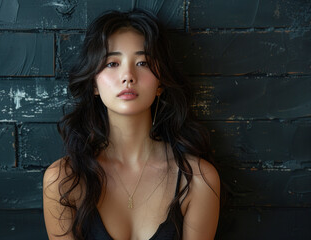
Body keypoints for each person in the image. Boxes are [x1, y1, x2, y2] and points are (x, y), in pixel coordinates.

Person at [43, 8, 220, 240]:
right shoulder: (64, 180)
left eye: (143, 62)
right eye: (112, 63)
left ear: (160, 84)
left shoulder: (198, 179)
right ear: (94, 84)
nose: (128, 75)